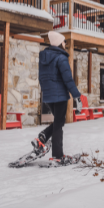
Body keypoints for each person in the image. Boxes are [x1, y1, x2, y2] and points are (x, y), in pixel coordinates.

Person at [32, 31, 83, 165]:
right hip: (60, 95)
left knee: (58, 122)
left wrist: (46, 93)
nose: (65, 44)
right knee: (59, 123)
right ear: (60, 43)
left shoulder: (44, 58)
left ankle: (43, 137)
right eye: (64, 41)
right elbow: (68, 80)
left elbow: (42, 78)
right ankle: (57, 155)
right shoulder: (61, 58)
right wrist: (77, 97)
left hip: (48, 96)